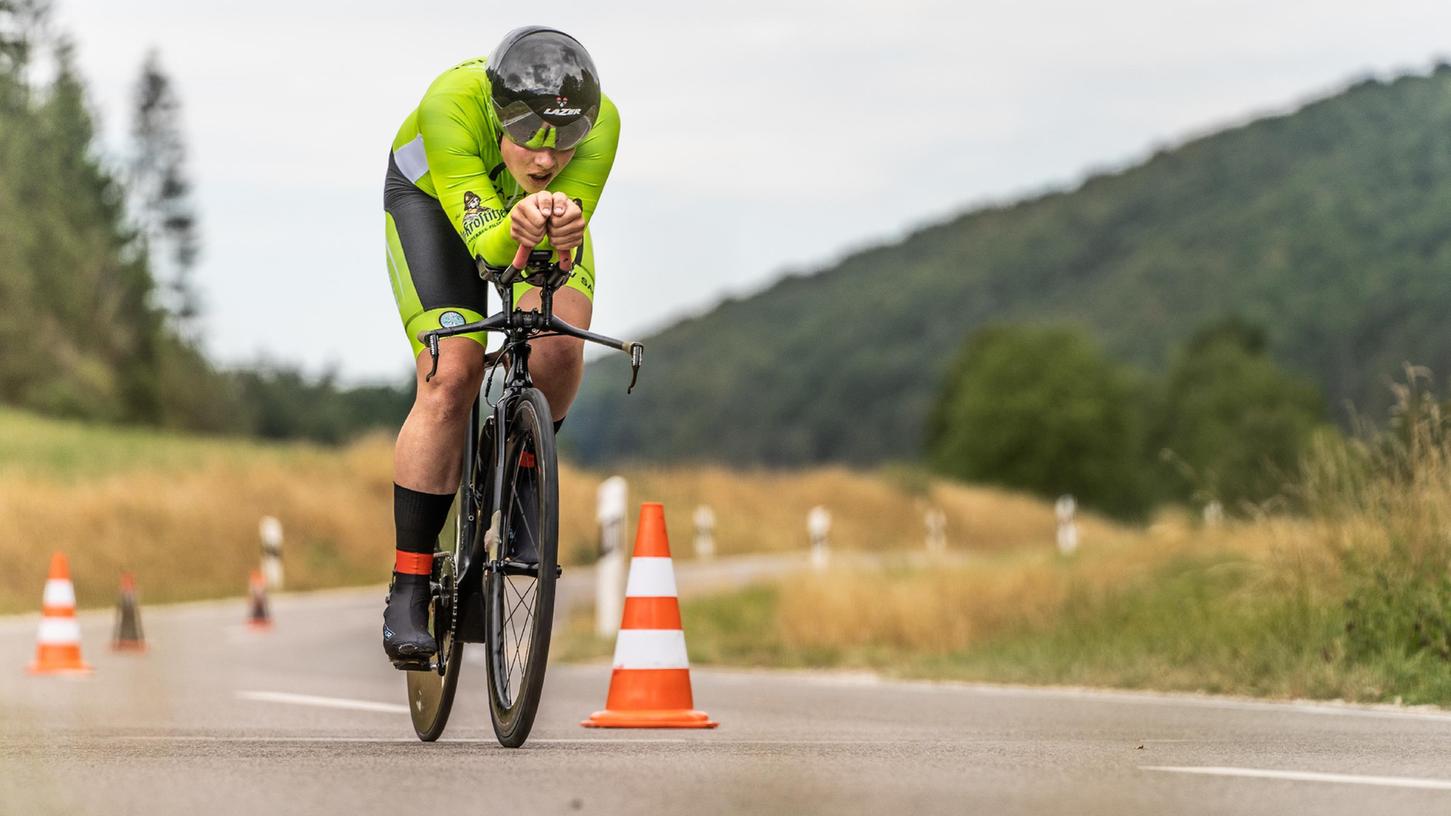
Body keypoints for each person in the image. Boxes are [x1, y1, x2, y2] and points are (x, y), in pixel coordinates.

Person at [380, 26, 620, 665]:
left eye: (563, 146)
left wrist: (561, 226)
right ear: (498, 115)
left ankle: (518, 477)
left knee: (560, 344)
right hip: (434, 204)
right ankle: (409, 581)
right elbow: (489, 251)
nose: (546, 162)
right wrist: (520, 227)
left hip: (530, 219)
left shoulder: (602, 124)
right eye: (530, 142)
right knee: (450, 374)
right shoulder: (451, 103)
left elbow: (566, 229)